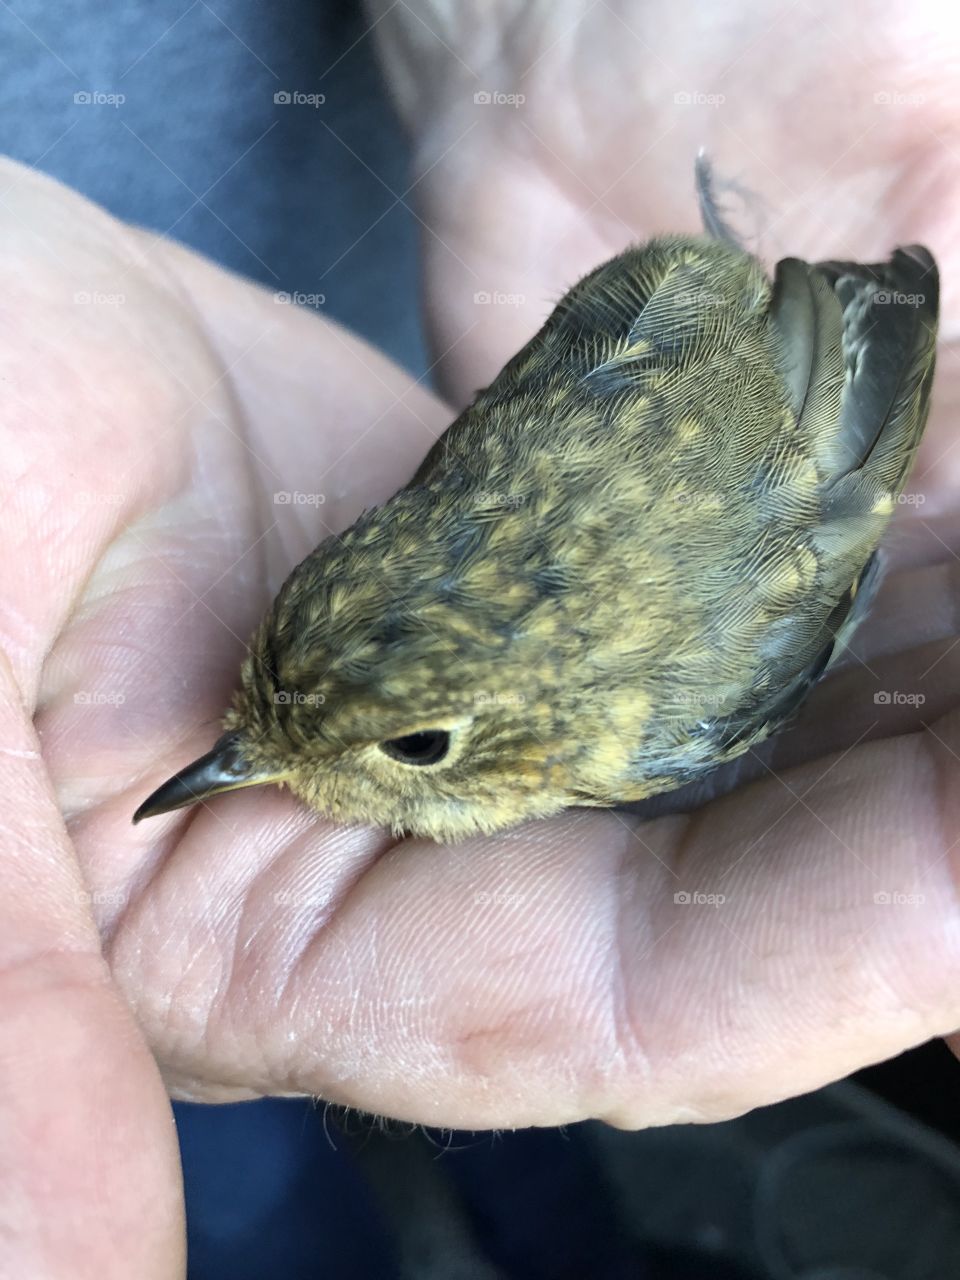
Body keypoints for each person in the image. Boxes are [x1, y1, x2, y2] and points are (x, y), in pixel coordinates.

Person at [1, 2, 958, 1275]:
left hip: (786, 367)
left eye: (416, 743)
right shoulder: (577, 676)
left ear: (532, 730)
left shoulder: (670, 696)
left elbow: (835, 501)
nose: (234, 759)